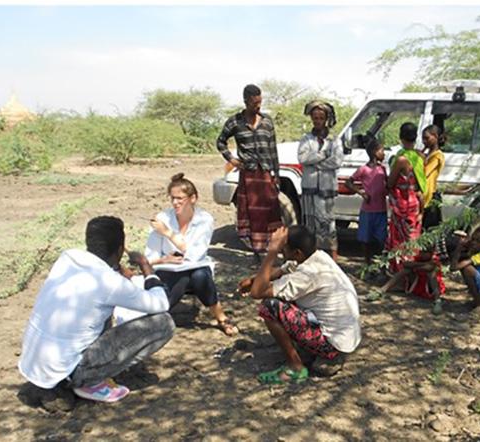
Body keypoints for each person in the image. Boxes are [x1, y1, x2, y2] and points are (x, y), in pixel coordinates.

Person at [18, 216, 174, 407]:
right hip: (67, 370)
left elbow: (98, 289)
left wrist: (118, 271)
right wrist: (145, 266)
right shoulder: (110, 282)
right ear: (120, 249)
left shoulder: (67, 258)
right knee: (164, 323)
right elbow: (160, 303)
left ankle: (74, 377)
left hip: (33, 360)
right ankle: (88, 381)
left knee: (99, 312)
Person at [238, 226, 361, 384]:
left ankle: (295, 367)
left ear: (297, 253)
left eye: (284, 250)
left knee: (269, 306)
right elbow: (280, 271)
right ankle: (308, 352)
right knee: (283, 295)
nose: (282, 253)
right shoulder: (318, 256)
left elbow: (257, 292)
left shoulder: (307, 274)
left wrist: (271, 252)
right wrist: (253, 279)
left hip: (333, 344)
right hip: (345, 337)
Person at [145, 173, 237, 336]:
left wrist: (168, 233)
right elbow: (149, 257)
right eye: (172, 198)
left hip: (196, 268)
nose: (175, 203)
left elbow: (195, 255)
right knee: (184, 276)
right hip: (168, 268)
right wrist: (164, 259)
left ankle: (220, 317)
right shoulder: (162, 218)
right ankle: (157, 316)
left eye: (180, 198)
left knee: (198, 275)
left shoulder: (204, 219)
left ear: (193, 198)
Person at [216, 84, 283, 261]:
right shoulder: (234, 122)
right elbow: (220, 142)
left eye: (260, 102)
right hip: (249, 174)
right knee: (252, 212)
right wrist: (232, 159)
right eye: (254, 103)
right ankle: (256, 251)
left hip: (267, 173)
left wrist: (276, 174)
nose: (258, 106)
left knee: (271, 210)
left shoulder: (267, 121)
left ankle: (271, 250)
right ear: (246, 101)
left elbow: (273, 149)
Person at [297, 100, 343, 260]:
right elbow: (302, 158)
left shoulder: (334, 140)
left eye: (320, 118)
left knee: (328, 225)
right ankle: (313, 260)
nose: (317, 121)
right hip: (309, 188)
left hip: (326, 189)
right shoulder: (306, 139)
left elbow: (337, 161)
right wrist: (322, 156)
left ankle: (333, 261)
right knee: (310, 227)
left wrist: (316, 163)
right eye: (314, 118)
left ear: (326, 119)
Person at [386, 122, 426, 275]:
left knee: (399, 239)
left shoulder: (401, 160)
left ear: (401, 137)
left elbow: (391, 182)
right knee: (413, 237)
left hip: (402, 203)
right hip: (416, 202)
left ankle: (400, 273)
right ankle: (414, 274)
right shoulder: (420, 156)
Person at [344, 134, 388, 273]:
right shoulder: (363, 169)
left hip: (381, 210)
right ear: (375, 152)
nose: (384, 153)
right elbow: (348, 182)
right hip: (368, 210)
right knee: (365, 239)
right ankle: (367, 263)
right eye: (382, 150)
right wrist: (361, 192)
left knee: (382, 239)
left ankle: (381, 265)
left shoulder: (383, 169)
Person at [421, 124, 446, 231]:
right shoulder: (428, 154)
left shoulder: (437, 156)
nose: (424, 142)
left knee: (429, 230)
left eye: (427, 138)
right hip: (423, 195)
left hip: (430, 196)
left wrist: (421, 158)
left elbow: (425, 172)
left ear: (435, 137)